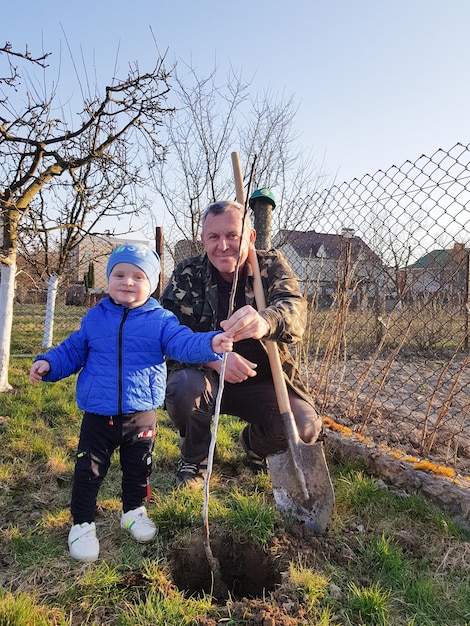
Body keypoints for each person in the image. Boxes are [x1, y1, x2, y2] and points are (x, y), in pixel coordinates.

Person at [29, 242, 236, 563]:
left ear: (151, 284)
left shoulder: (161, 320)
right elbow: (72, 350)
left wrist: (210, 343)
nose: (127, 282)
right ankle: (82, 524)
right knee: (89, 470)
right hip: (98, 415)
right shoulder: (95, 318)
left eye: (137, 277)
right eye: (119, 275)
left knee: (138, 468)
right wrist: (49, 364)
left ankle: (133, 511)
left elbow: (182, 342)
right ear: (109, 279)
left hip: (140, 415)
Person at [161, 194, 323, 489]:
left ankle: (254, 445)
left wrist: (266, 321)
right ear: (203, 239)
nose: (223, 246)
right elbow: (165, 336)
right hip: (205, 377)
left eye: (232, 235)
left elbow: (295, 311)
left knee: (305, 426)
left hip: (262, 382)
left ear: (251, 236)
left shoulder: (270, 265)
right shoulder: (187, 273)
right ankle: (195, 458)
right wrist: (212, 358)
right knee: (183, 388)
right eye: (213, 237)